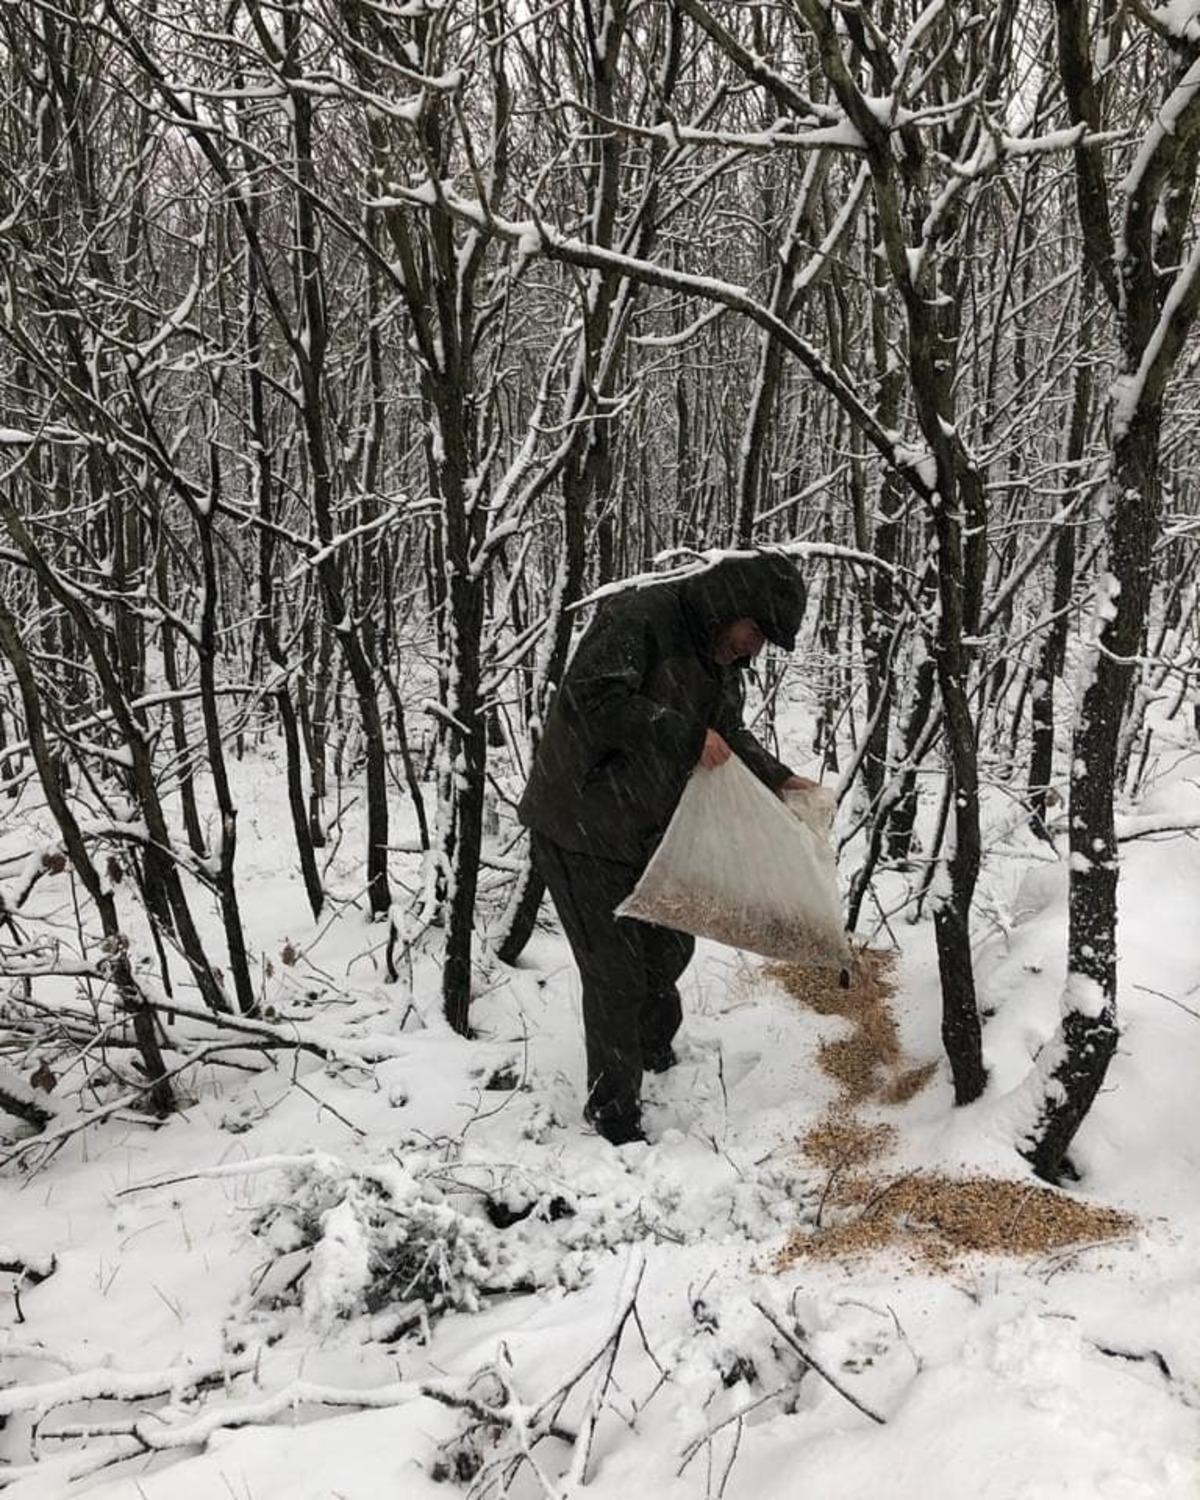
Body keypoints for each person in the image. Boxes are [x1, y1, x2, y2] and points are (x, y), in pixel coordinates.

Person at [518, 550, 815, 1145]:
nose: (754, 650)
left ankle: (652, 1054)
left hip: (646, 830)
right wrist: (684, 735)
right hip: (579, 822)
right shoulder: (640, 618)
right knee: (616, 975)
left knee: (671, 946)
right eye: (756, 633)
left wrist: (780, 779)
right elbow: (595, 704)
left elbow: (725, 733)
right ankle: (614, 1118)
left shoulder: (717, 654)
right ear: (732, 607)